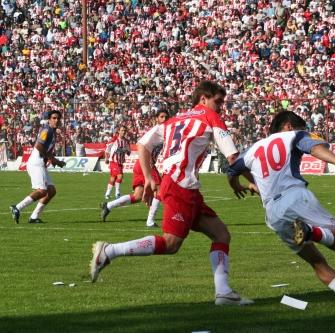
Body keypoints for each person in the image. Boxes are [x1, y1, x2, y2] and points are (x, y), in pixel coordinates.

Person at [89, 81, 253, 306]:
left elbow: (143, 145)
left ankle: (223, 293)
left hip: (184, 186)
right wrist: (256, 184)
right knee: (170, 244)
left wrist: (148, 177)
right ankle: (110, 251)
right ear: (203, 99)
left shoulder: (173, 120)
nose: (221, 107)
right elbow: (234, 159)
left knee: (221, 234)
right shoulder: (209, 117)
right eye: (218, 101)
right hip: (180, 186)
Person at [226, 111, 335, 311]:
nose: (305, 132)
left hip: (273, 213)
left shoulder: (253, 149)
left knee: (316, 261)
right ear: (287, 126)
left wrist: (237, 186)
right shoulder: (294, 135)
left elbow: (232, 169)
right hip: (295, 197)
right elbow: (315, 148)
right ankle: (312, 232)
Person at [100, 110, 168, 227]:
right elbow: (140, 144)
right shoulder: (156, 131)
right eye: (161, 116)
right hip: (146, 164)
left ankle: (108, 206)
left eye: (166, 117)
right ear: (157, 118)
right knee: (160, 190)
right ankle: (150, 221)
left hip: (140, 164)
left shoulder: (165, 132)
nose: (164, 119)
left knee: (137, 196)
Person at [10, 110, 66, 224]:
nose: (56, 120)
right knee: (42, 191)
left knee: (51, 190)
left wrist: (56, 161)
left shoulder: (52, 131)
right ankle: (18, 207)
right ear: (49, 119)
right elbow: (38, 145)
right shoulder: (47, 130)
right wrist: (51, 159)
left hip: (41, 164)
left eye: (58, 118)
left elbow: (46, 149)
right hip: (36, 163)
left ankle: (34, 216)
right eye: (54, 118)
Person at [103, 125, 131, 199]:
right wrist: (106, 158)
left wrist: (125, 150)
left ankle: (107, 193)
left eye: (125, 131)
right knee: (120, 176)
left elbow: (129, 152)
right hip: (114, 162)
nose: (123, 132)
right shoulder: (114, 139)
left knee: (113, 178)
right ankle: (117, 193)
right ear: (118, 131)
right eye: (122, 130)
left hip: (120, 162)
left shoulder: (126, 141)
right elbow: (107, 148)